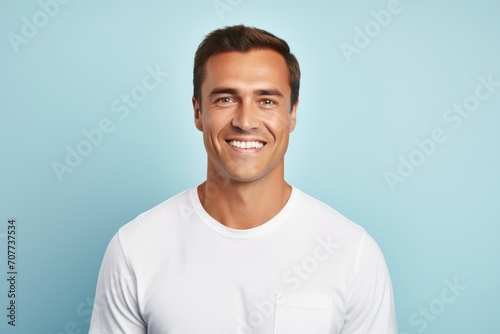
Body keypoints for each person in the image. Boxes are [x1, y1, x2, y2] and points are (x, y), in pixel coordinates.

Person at [89, 24, 397, 334]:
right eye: (225, 99)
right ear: (198, 112)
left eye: (267, 101)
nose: (245, 121)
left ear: (292, 115)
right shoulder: (135, 249)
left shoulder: (352, 253)